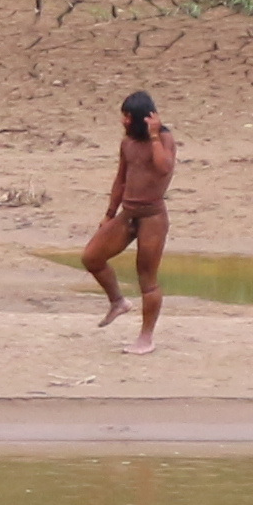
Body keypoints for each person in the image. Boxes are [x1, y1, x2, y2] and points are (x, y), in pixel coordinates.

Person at [77, 90, 177, 353]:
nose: (123, 121)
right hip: (128, 213)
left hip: (152, 216)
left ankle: (146, 337)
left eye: (128, 117)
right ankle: (118, 301)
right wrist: (109, 213)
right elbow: (121, 178)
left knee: (147, 278)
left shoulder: (164, 138)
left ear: (143, 118)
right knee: (92, 257)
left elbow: (164, 167)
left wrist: (154, 135)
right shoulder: (127, 142)